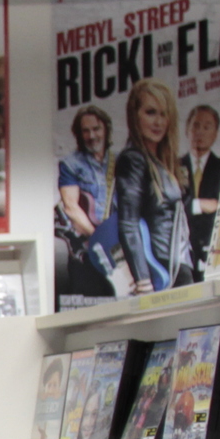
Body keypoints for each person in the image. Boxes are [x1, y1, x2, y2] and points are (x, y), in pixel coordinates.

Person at [114, 79, 193, 293]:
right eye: (150, 112)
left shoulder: (162, 162)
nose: (158, 122)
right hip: (161, 270)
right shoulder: (134, 160)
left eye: (163, 114)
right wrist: (143, 279)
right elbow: (128, 223)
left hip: (177, 266)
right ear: (135, 115)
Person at [55, 104, 120, 299]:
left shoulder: (121, 161)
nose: (92, 136)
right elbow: (71, 207)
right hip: (86, 249)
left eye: (96, 129)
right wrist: (99, 237)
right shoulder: (71, 164)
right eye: (86, 131)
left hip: (119, 247)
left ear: (106, 130)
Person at [179, 101, 220, 265]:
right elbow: (171, 207)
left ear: (215, 133)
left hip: (213, 249)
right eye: (196, 126)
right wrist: (199, 205)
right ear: (187, 130)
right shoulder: (174, 167)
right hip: (181, 251)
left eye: (207, 127)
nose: (200, 132)